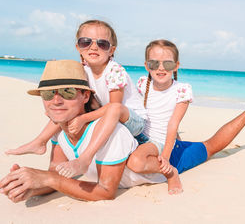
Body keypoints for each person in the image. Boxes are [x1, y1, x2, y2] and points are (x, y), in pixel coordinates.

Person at [0, 60, 245, 202]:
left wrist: (47, 180)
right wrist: (29, 185)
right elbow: (55, 177)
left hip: (160, 163)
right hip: (146, 146)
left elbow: (105, 192)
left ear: (85, 96)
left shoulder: (111, 133)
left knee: (211, 146)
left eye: (67, 91)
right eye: (49, 93)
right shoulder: (59, 133)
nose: (56, 100)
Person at [6, 20, 147, 179]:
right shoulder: (83, 71)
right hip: (107, 116)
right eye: (86, 42)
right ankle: (40, 141)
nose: (93, 47)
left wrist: (83, 118)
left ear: (111, 50)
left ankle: (85, 159)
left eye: (102, 44)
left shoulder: (114, 70)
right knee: (67, 109)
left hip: (134, 123)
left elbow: (115, 106)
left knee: (113, 108)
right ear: (78, 47)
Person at [127, 39, 191, 194]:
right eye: (154, 64)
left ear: (176, 66)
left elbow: (173, 125)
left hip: (156, 140)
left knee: (136, 162)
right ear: (147, 66)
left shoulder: (182, 90)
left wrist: (166, 158)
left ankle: (171, 173)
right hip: (139, 133)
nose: (161, 68)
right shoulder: (143, 82)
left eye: (167, 64)